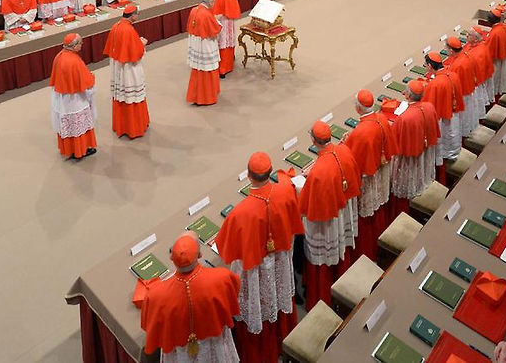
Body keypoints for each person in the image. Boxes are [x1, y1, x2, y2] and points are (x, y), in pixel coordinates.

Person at [215, 152, 304, 363]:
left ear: (248, 175)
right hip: (279, 261)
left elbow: (225, 249)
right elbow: (295, 222)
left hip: (255, 270)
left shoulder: (240, 212)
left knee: (258, 303)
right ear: (270, 172)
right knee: (279, 295)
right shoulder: (285, 192)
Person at [140, 233, 241, 363]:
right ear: (199, 255)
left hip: (181, 352)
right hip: (213, 344)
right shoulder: (222, 278)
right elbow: (234, 299)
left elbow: (148, 325)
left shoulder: (155, 295)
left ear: (171, 259)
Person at [298, 120, 361, 311]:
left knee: (323, 253)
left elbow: (308, 205)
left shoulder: (317, 172)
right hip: (343, 211)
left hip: (327, 223)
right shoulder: (344, 150)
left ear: (313, 141)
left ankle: (322, 295)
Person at [342, 89, 396, 261]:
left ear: (358, 109)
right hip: (381, 171)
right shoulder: (381, 118)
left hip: (369, 178)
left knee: (368, 216)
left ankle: (368, 252)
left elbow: (351, 160)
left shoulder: (360, 132)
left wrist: (345, 143)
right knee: (379, 206)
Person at [391, 80, 439, 215]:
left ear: (407, 95)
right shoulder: (429, 106)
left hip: (411, 158)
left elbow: (394, 141)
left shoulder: (404, 118)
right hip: (424, 152)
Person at [103, 4, 150, 139]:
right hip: (129, 68)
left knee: (122, 96)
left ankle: (121, 125)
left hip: (118, 65)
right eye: (137, 14)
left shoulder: (116, 25)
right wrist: (142, 43)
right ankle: (134, 128)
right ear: (133, 15)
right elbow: (135, 53)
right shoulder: (128, 30)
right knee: (132, 96)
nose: (137, 16)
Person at [48, 33, 97, 160]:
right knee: (77, 125)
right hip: (75, 99)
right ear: (74, 46)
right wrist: (91, 78)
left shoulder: (59, 56)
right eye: (80, 43)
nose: (82, 45)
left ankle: (69, 149)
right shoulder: (74, 61)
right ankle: (80, 150)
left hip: (62, 98)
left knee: (69, 125)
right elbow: (85, 82)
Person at [422, 51, 464, 185]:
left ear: (430, 66)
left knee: (441, 146)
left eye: (425, 65)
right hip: (453, 115)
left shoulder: (434, 84)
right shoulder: (452, 74)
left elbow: (427, 108)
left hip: (442, 120)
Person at [186, 0, 222, 106]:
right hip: (205, 45)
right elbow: (215, 30)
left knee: (198, 69)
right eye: (213, 2)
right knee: (207, 69)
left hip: (195, 44)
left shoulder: (194, 10)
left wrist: (213, 19)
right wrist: (217, 20)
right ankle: (207, 97)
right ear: (210, 2)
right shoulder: (206, 14)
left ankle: (196, 96)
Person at [444, 36, 480, 137]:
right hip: (470, 89)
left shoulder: (457, 65)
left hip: (462, 96)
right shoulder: (467, 55)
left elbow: (452, 84)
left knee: (462, 119)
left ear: (451, 51)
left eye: (446, 49)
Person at [463, 25, 495, 116]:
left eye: (469, 35)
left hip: (477, 83)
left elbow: (477, 71)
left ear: (476, 39)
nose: (466, 35)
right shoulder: (475, 45)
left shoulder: (478, 53)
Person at [211, 0, 240, 77]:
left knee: (219, 43)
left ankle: (217, 68)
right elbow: (235, 11)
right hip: (228, 22)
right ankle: (226, 67)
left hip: (217, 22)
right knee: (228, 43)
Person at [486, 6, 506, 98]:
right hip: (505, 55)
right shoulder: (504, 26)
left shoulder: (494, 33)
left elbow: (489, 52)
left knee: (495, 79)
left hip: (496, 60)